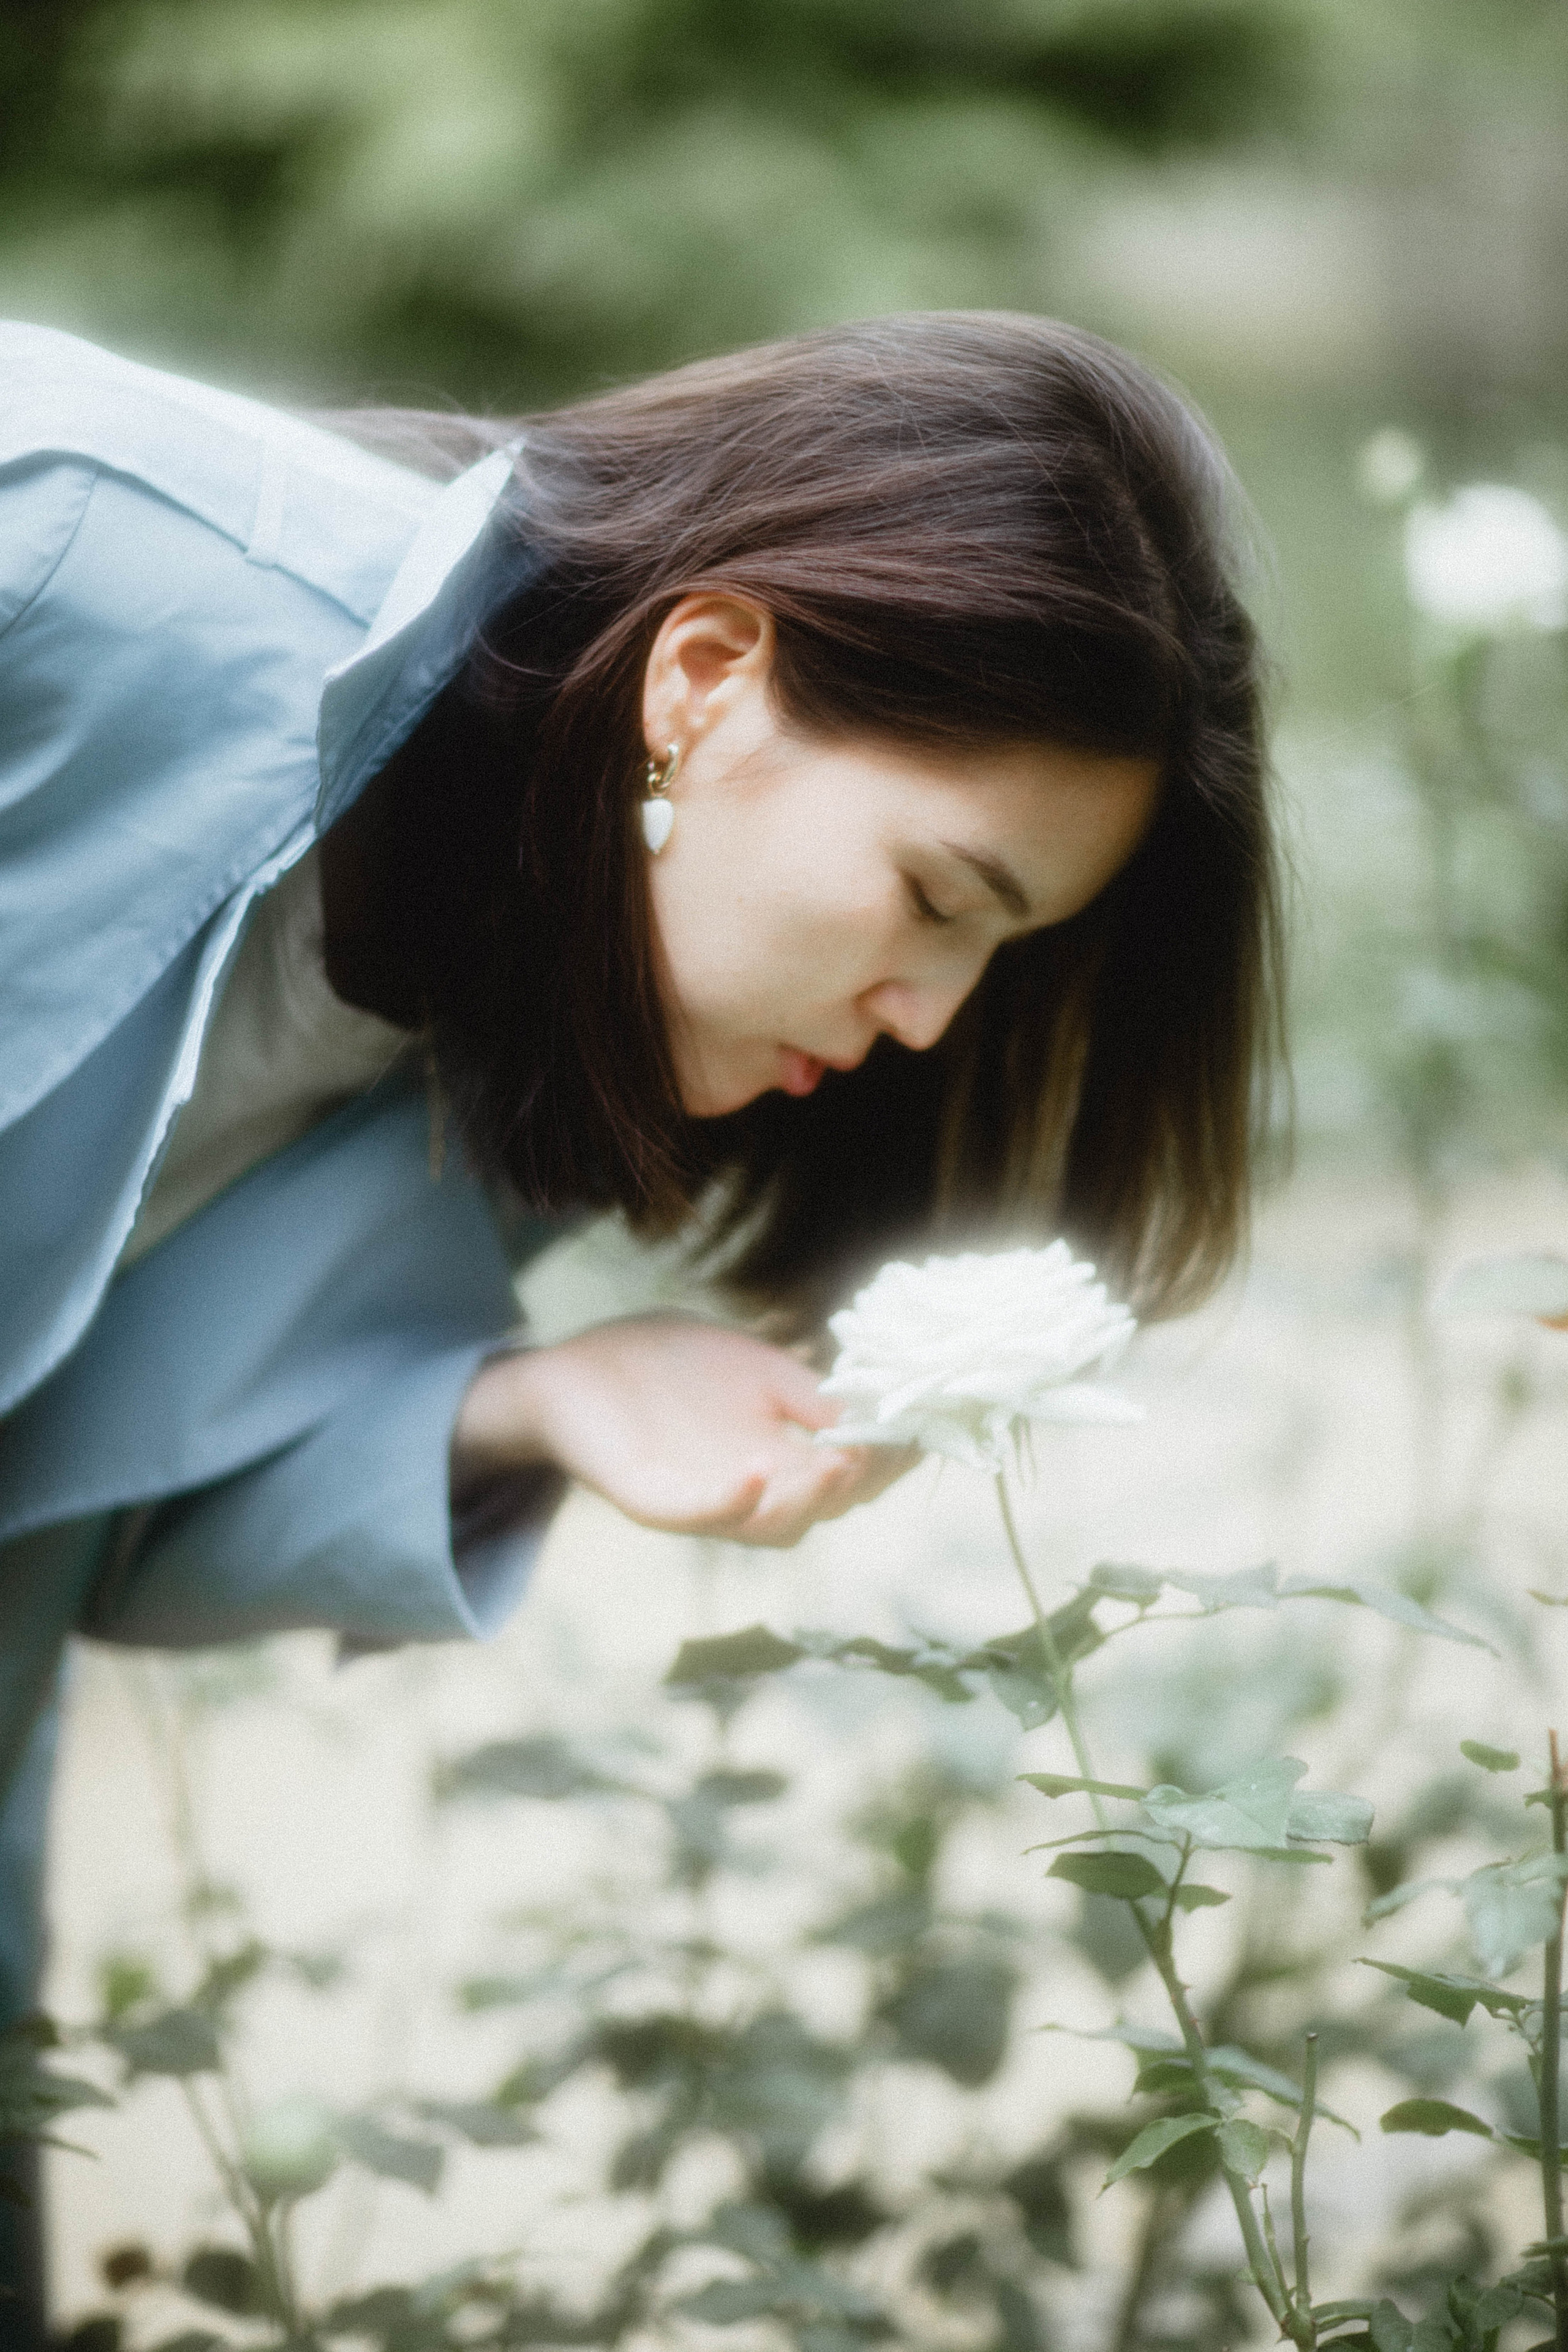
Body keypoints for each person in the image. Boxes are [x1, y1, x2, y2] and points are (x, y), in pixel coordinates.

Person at [0, 308, 1276, 2294]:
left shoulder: (535, 992)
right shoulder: (66, 535)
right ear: (707, 677)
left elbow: (65, 1505)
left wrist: (538, 1404)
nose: (933, 1019)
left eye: (999, 961)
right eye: (940, 900)